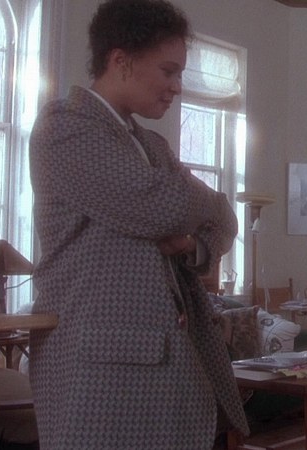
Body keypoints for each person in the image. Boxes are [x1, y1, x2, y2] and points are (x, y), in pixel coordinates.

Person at [28, 0, 249, 448]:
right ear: (121, 60)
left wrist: (192, 245)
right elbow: (160, 206)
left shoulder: (152, 146)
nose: (177, 88)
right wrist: (196, 202)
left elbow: (226, 218)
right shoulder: (64, 126)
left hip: (171, 369)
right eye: (169, 71)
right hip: (100, 377)